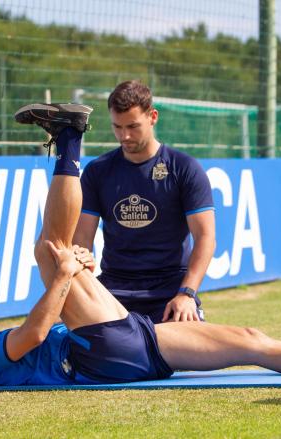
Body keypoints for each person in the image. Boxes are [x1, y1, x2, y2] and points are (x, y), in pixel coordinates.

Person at [0, 104, 281, 387]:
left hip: (128, 343)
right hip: (99, 351)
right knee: (49, 251)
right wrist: (64, 277)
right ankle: (70, 138)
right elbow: (36, 332)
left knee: (249, 339)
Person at [73, 80, 215, 323]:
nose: (124, 136)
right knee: (74, 344)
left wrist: (187, 293)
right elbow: (81, 241)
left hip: (171, 290)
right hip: (113, 289)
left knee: (189, 354)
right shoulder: (98, 171)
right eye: (117, 127)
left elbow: (205, 238)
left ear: (153, 117)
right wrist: (85, 288)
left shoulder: (184, 168)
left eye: (133, 126)